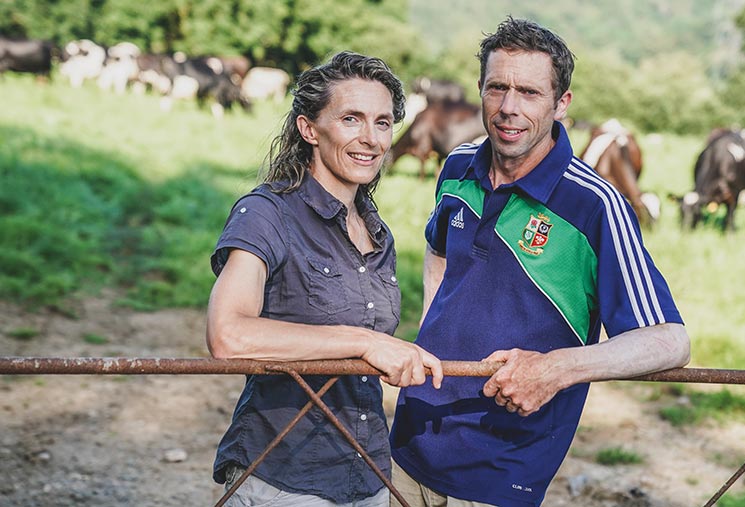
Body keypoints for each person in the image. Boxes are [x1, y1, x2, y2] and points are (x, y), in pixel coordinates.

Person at [389, 18, 690, 507]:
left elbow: (670, 340)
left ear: (562, 104)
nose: (509, 108)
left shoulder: (594, 205)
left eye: (529, 92)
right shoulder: (458, 165)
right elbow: (438, 247)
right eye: (497, 88)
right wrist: (430, 327)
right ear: (480, 91)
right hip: (411, 439)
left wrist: (557, 370)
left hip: (503, 466)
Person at [206, 51, 444, 507]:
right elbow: (228, 335)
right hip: (284, 478)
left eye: (382, 122)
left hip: (369, 474)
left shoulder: (378, 232)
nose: (370, 138)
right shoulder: (266, 213)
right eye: (351, 119)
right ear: (309, 129)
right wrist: (363, 342)